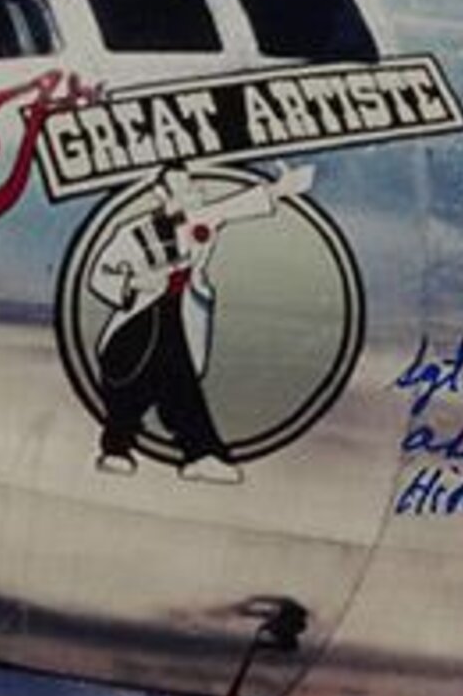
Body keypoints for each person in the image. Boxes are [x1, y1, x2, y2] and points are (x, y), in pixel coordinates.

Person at [87, 163, 314, 482]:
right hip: (139, 315)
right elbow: (100, 274)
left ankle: (201, 455)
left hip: (178, 312)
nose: (189, 193)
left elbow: (236, 206)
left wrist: (280, 189)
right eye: (178, 188)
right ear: (161, 194)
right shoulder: (132, 234)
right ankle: (117, 447)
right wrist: (137, 283)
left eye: (189, 186)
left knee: (179, 385)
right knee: (131, 383)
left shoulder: (200, 218)